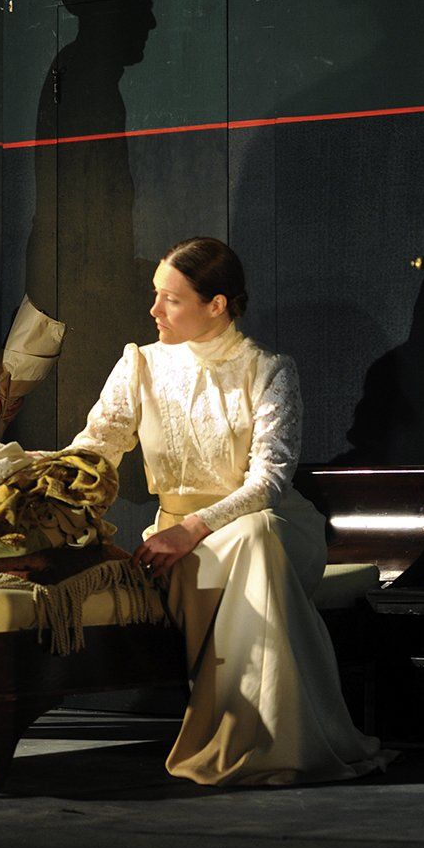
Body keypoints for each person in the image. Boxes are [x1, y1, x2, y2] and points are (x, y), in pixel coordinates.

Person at [72, 237, 390, 785]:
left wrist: (192, 530)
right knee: (248, 543)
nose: (153, 310)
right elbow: (94, 449)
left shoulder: (268, 369)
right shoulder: (139, 365)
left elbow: (269, 482)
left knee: (256, 535)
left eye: (171, 299)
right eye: (156, 294)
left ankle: (264, 740)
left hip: (272, 525)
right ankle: (260, 737)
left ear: (216, 304)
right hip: (179, 531)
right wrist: (26, 470)